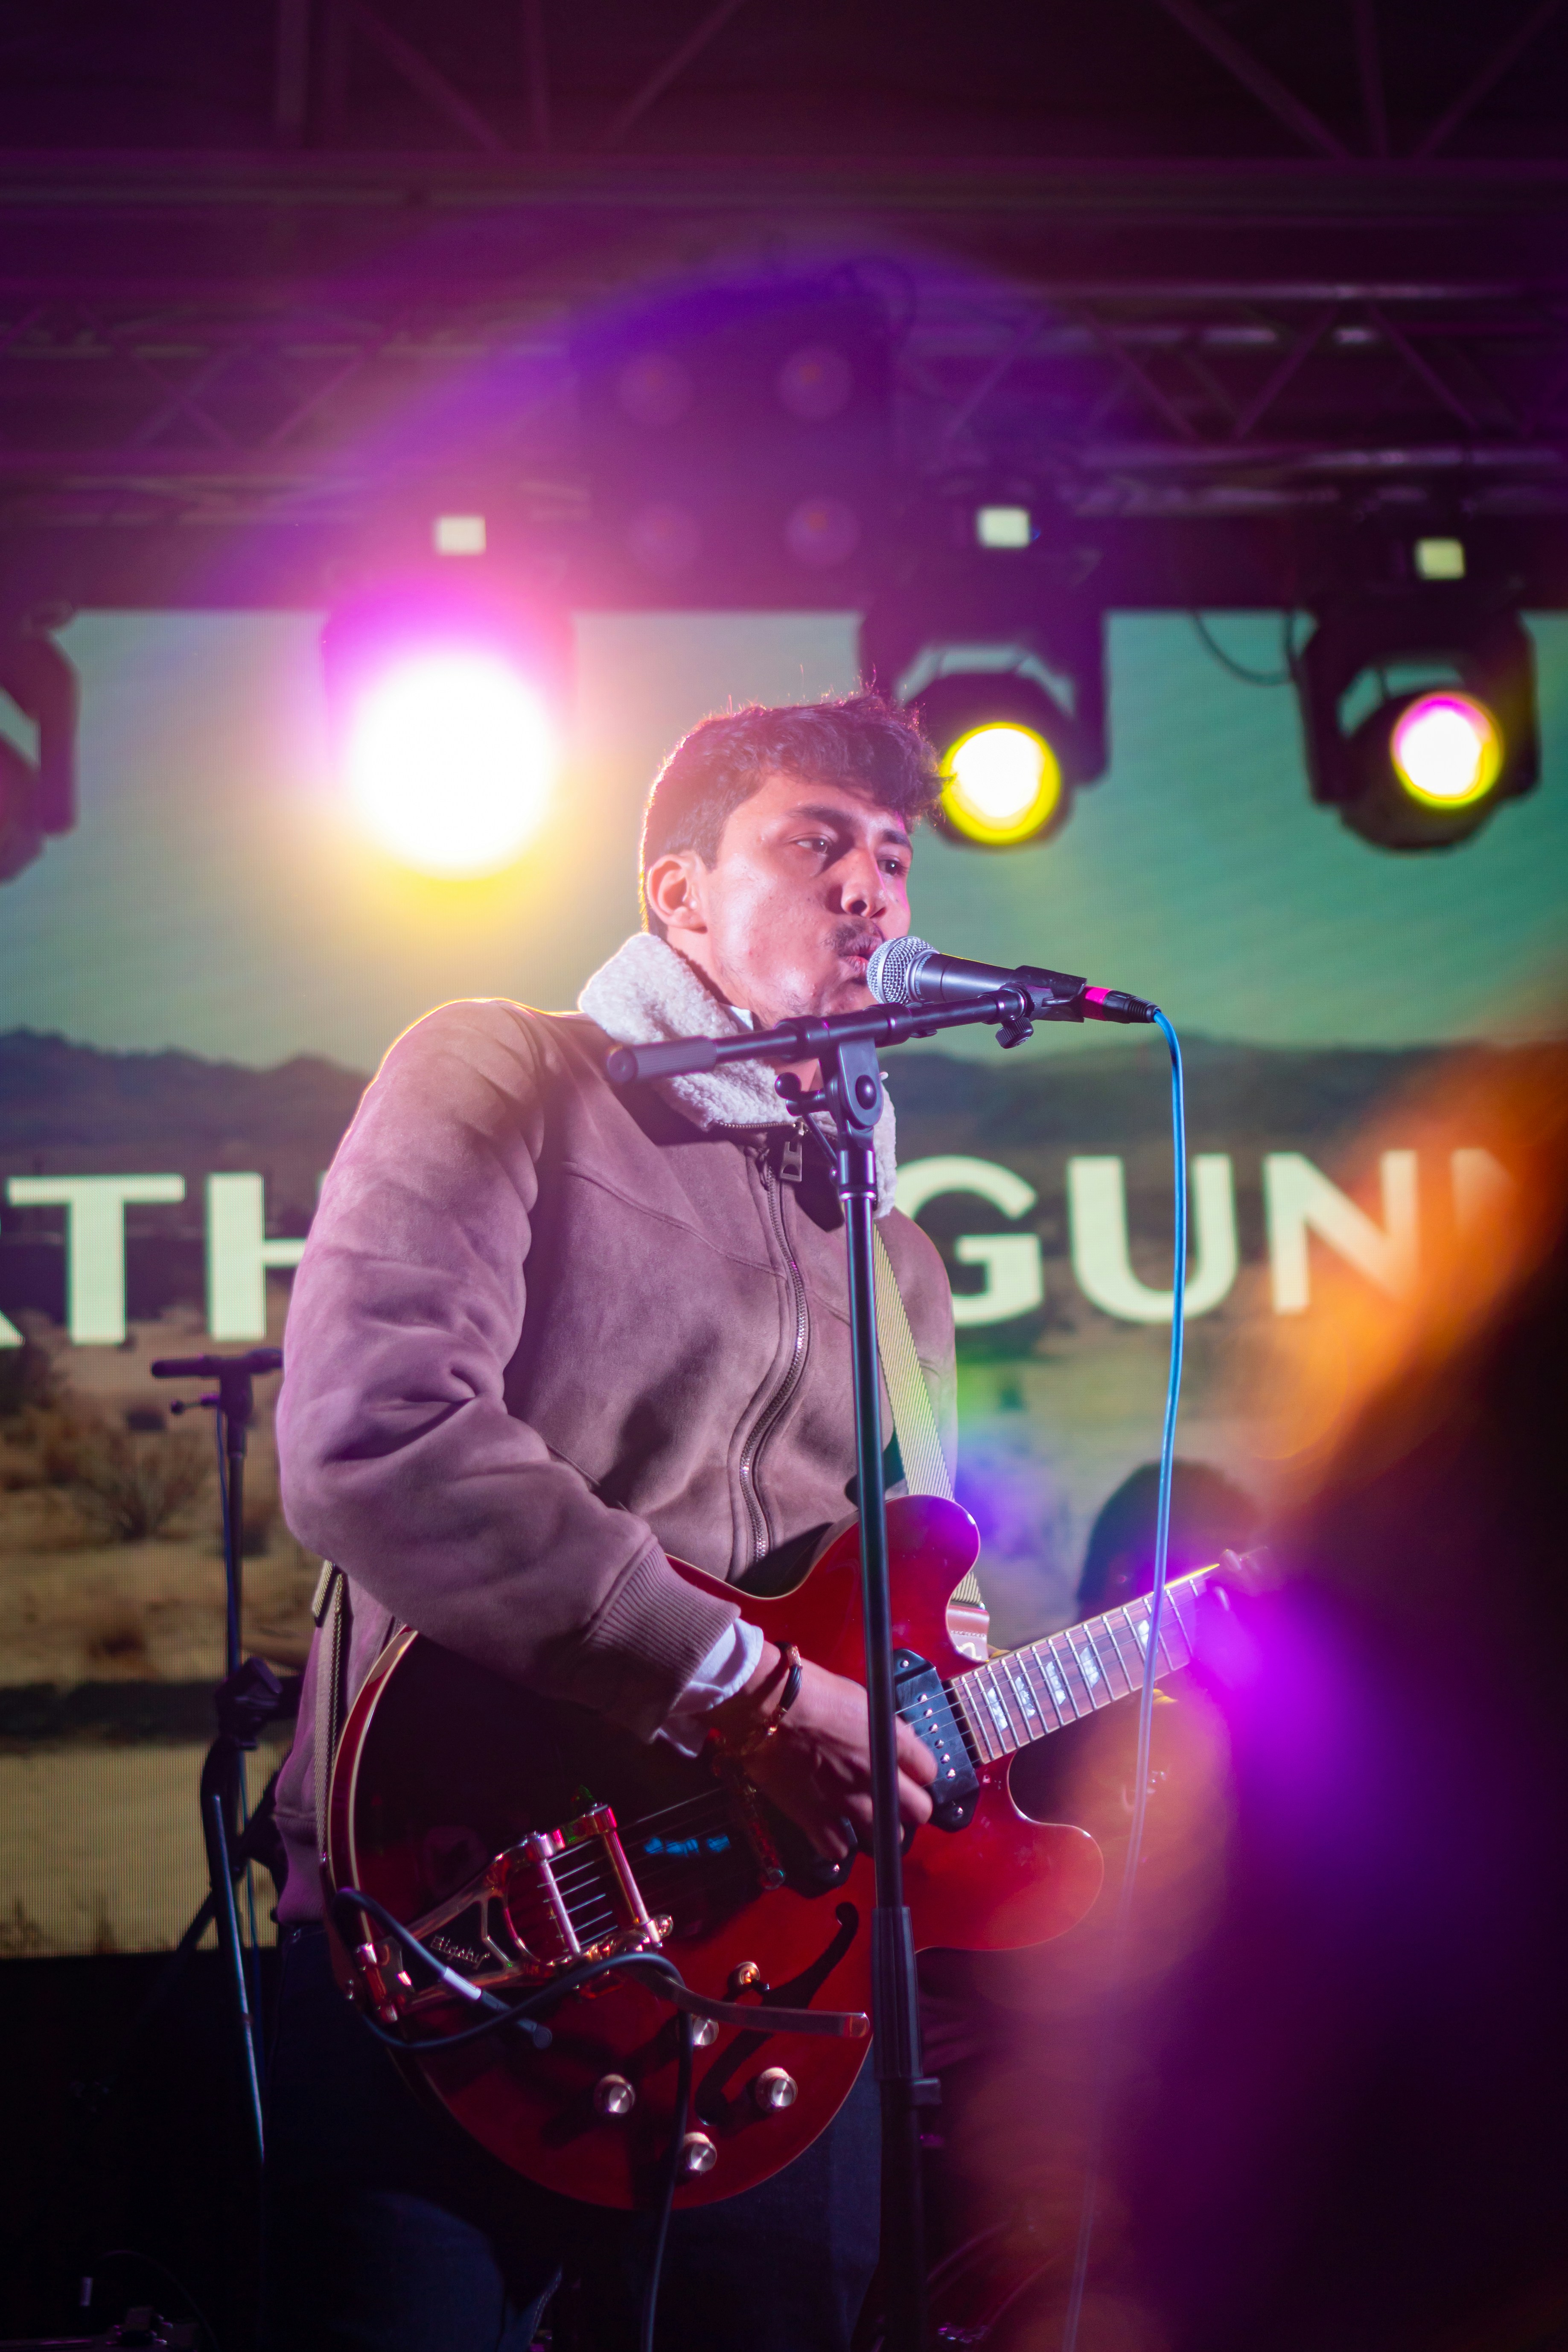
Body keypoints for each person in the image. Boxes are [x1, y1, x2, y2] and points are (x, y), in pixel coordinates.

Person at [261, 695, 953, 2352]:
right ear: (677, 895)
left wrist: (943, 1699)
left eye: (894, 857)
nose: (871, 889)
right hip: (452, 1915)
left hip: (760, 1982)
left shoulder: (896, 1249)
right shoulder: (505, 1071)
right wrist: (754, 1690)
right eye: (816, 840)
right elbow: (378, 1439)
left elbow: (913, 1597)